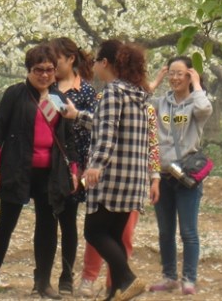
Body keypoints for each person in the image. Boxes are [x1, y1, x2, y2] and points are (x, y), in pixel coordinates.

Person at [0, 43, 79, 300]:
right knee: (5, 225)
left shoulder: (58, 98)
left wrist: (74, 170)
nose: (44, 75)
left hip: (50, 173)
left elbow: (68, 138)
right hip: (17, 169)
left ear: (55, 70)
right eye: (38, 70)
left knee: (47, 226)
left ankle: (43, 283)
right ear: (29, 70)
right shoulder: (15, 94)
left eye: (49, 70)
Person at [80, 40, 160, 301]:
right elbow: (109, 124)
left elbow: (108, 132)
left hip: (113, 177)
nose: (94, 67)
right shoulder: (139, 96)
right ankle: (114, 292)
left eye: (95, 61)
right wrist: (77, 116)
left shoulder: (113, 91)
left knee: (93, 232)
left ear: (105, 63)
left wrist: (96, 165)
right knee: (113, 236)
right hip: (134, 179)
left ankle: (128, 279)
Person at [148, 56, 213, 295]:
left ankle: (189, 279)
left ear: (189, 75)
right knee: (165, 231)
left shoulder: (196, 104)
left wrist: (197, 86)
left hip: (187, 177)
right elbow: (139, 102)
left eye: (180, 73)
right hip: (162, 176)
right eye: (171, 73)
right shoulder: (160, 103)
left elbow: (206, 109)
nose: (175, 78)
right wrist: (155, 82)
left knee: (188, 231)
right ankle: (169, 277)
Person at [52, 37, 95, 296]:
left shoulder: (87, 92)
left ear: (70, 59)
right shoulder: (46, 87)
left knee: (68, 220)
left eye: (56, 58)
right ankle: (43, 275)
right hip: (48, 162)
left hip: (74, 165)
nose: (51, 65)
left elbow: (96, 128)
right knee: (46, 220)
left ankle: (66, 275)